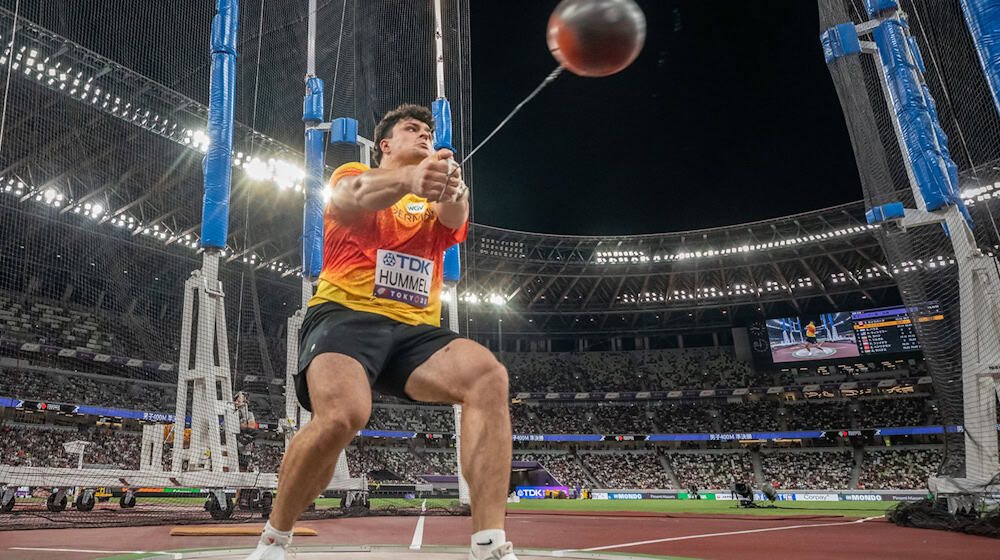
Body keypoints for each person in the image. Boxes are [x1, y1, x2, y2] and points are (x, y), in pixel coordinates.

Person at [246, 104, 517, 560]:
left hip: (414, 332)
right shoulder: (356, 174)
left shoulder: (430, 202)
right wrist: (411, 179)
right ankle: (275, 539)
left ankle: (488, 543)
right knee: (343, 415)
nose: (425, 135)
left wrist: (453, 188)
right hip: (344, 315)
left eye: (428, 131)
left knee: (488, 375)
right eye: (412, 129)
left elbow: (454, 217)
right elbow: (354, 194)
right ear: (385, 145)